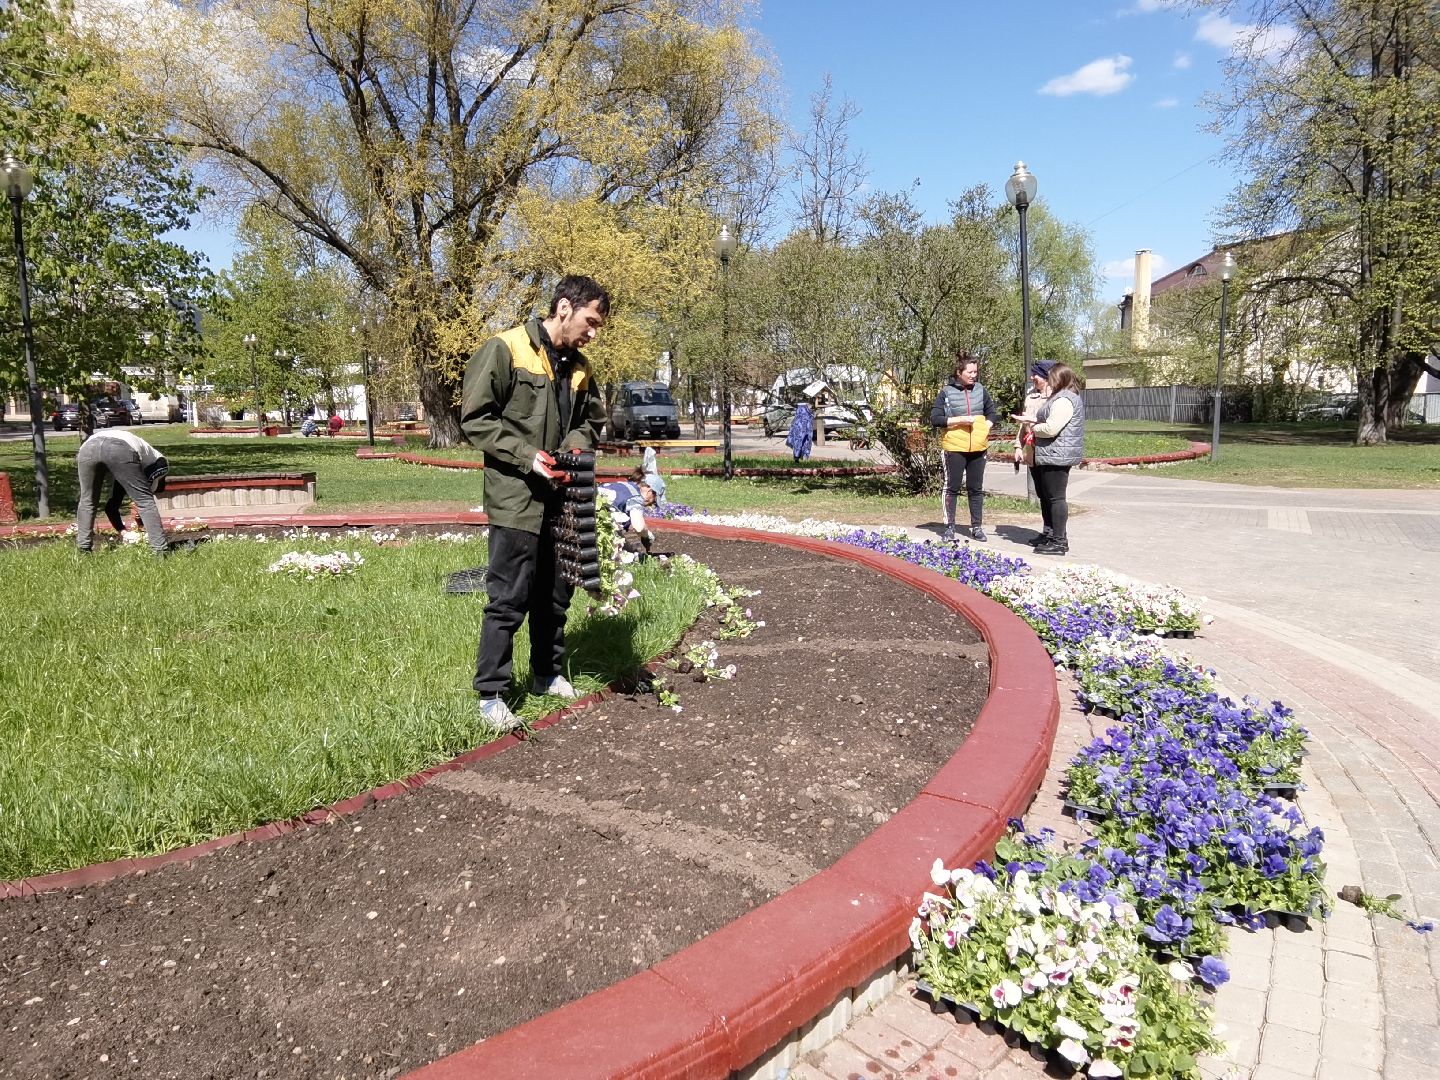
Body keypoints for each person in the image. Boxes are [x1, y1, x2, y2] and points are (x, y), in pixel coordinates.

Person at [460, 274, 609, 731]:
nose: (594, 331)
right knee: (509, 597)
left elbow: (592, 423)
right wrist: (530, 457)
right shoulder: (505, 349)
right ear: (564, 308)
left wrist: (574, 450)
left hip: (560, 497)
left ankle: (547, 674)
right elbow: (475, 419)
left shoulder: (581, 368)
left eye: (599, 325)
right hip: (515, 498)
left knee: (555, 593)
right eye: (591, 320)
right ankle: (492, 695)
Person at [930, 351, 999, 542]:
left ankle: (976, 527)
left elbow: (992, 413)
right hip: (954, 447)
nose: (973, 375)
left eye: (975, 372)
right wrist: (959, 420)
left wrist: (987, 425)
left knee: (975, 489)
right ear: (959, 372)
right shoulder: (946, 392)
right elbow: (935, 419)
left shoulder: (981, 390)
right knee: (952, 487)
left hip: (978, 447)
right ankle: (949, 527)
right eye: (970, 372)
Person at [1023, 362, 1086, 556]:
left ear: (1059, 378)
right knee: (1048, 497)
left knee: (1056, 498)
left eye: (1050, 377)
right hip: (1051, 454)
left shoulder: (1064, 400)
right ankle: (1050, 535)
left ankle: (1059, 541)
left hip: (1057, 456)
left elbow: (1051, 428)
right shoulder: (1059, 397)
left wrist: (1033, 428)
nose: (1047, 381)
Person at [74, 428, 170, 555]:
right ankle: (160, 550)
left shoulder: (144, 456)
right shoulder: (159, 461)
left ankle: (83, 549)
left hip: (88, 448)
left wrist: (123, 532)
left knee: (87, 501)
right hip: (120, 449)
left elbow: (111, 507)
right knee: (145, 501)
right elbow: (146, 498)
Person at [1013, 360, 1055, 473]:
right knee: (1036, 490)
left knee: (1049, 490)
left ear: (1045, 377)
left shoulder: (1056, 399)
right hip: (1032, 455)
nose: (1031, 377)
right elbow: (1023, 425)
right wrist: (1018, 447)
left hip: (1049, 455)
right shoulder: (1030, 398)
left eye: (1035, 374)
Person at [601, 477, 658, 553]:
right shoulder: (635, 498)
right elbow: (639, 527)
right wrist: (646, 536)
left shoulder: (626, 485)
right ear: (650, 491)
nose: (650, 504)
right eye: (653, 501)